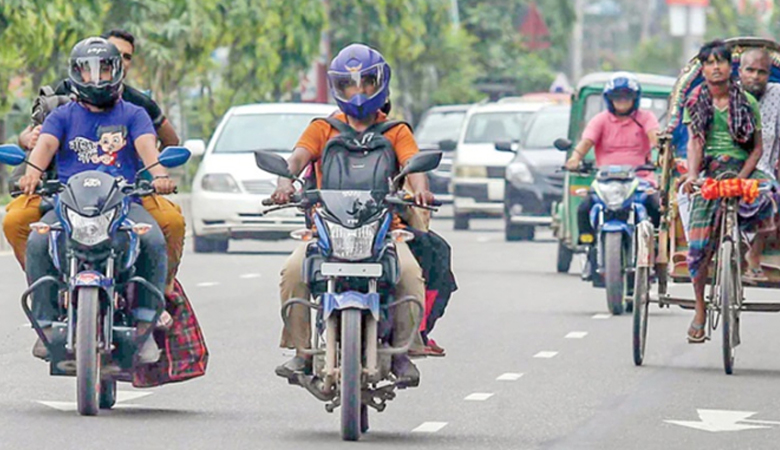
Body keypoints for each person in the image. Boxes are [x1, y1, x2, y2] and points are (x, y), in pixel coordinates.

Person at [270, 43, 433, 387]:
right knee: (293, 272)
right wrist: (284, 183)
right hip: (328, 231)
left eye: (366, 83)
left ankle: (402, 352)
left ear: (380, 84)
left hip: (384, 231)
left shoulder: (396, 131)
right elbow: (296, 160)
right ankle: (302, 351)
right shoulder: (322, 128)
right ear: (337, 88)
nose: (357, 93)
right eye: (348, 85)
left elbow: (414, 165)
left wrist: (420, 189)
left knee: (409, 274)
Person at [16, 37, 176, 362]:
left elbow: (148, 150)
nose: (96, 78)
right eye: (88, 71)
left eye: (104, 69)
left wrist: (159, 176)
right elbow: (44, 147)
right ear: (76, 74)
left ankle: (145, 323)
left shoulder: (135, 114)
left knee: (153, 240)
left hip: (123, 205)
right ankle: (45, 325)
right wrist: (31, 174)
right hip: (67, 205)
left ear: (117, 71)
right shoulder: (61, 115)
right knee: (37, 241)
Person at [681, 40, 776, 343]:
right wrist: (693, 175)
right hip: (710, 169)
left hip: (743, 168)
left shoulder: (746, 101)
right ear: (703, 69)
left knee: (770, 194)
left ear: (729, 66)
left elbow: (757, 148)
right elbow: (695, 142)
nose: (716, 67)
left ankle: (750, 251)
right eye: (709, 63)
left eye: (720, 61)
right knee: (697, 249)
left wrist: (742, 177)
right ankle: (699, 309)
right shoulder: (695, 100)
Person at [564, 72, 661, 258]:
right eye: (617, 96)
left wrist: (663, 155)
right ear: (609, 99)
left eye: (626, 96)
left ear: (635, 98)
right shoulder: (600, 120)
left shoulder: (646, 118)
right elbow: (586, 142)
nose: (622, 101)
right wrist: (575, 158)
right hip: (605, 180)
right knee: (584, 207)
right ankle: (588, 244)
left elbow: (655, 138)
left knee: (656, 205)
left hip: (639, 179)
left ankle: (656, 246)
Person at [739, 48, 780, 179]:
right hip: (728, 170)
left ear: (769, 74)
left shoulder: (777, 94)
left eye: (761, 72)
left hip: (764, 176)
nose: (755, 76)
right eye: (750, 70)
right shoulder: (728, 95)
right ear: (740, 72)